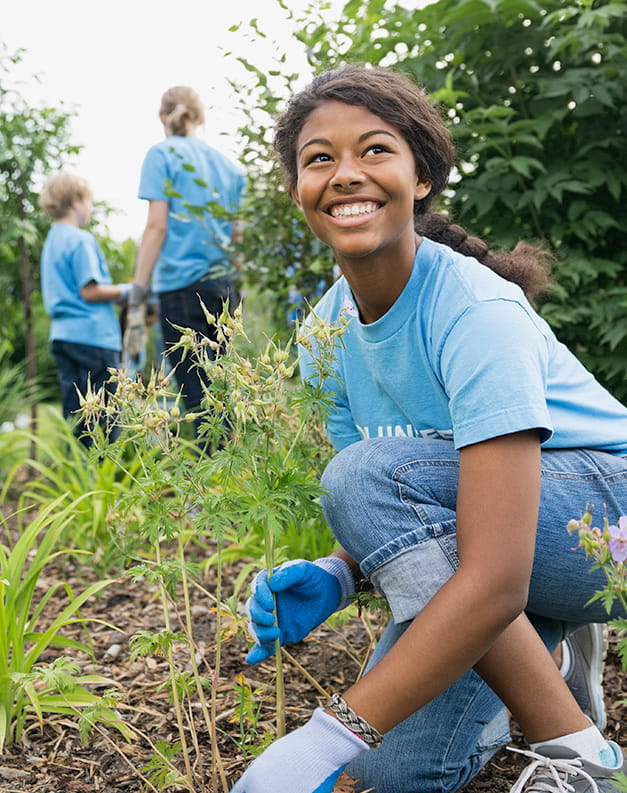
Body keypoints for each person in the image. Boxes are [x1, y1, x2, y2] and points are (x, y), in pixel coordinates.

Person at [232, 65, 627, 793]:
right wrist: (338, 570)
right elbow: (406, 521)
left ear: (420, 178)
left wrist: (320, 738)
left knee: (364, 474)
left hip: (605, 522)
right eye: (319, 158)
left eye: (374, 150)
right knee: (394, 769)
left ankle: (580, 757)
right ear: (297, 191)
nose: (345, 173)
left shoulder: (475, 311)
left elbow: (476, 558)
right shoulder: (324, 333)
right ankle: (554, 654)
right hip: (507, 537)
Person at [125, 85, 246, 438]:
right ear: (200, 117)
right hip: (224, 290)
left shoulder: (161, 155)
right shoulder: (231, 169)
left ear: (162, 117)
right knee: (225, 393)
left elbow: (156, 227)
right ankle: (237, 478)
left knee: (196, 399)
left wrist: (138, 290)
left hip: (179, 290)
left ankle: (211, 487)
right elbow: (236, 239)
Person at [39, 171, 130, 446]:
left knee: (78, 418)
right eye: (89, 201)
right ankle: (102, 483)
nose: (90, 208)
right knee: (105, 421)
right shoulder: (80, 240)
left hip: (63, 337)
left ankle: (79, 480)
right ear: (76, 201)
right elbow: (90, 291)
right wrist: (129, 290)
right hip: (93, 339)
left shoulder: (52, 241)